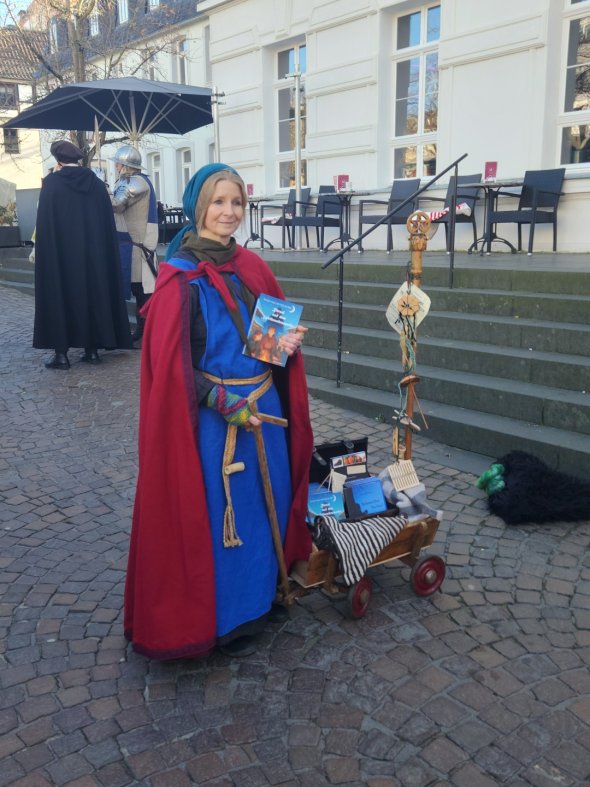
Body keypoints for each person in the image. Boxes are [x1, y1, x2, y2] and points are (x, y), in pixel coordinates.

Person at [124, 163, 313, 660]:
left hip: (265, 416)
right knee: (219, 516)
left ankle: (264, 595)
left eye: (237, 203)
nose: (228, 213)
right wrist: (222, 401)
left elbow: (263, 347)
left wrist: (285, 344)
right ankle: (224, 618)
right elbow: (172, 370)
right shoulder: (179, 279)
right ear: (197, 207)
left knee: (259, 506)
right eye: (218, 202)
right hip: (214, 424)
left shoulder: (252, 267)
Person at [33, 140, 132, 369]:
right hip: (93, 257)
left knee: (61, 297)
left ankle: (62, 355)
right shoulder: (97, 185)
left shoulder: (52, 185)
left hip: (62, 258)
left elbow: (46, 225)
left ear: (58, 161)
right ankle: (92, 350)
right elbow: (107, 224)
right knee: (93, 295)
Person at [110, 145, 159, 347]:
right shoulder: (127, 181)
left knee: (143, 291)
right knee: (138, 290)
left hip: (138, 247)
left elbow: (117, 204)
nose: (116, 166)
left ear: (124, 164)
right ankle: (143, 331)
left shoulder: (136, 182)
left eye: (117, 163)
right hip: (130, 244)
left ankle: (146, 332)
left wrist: (98, 192)